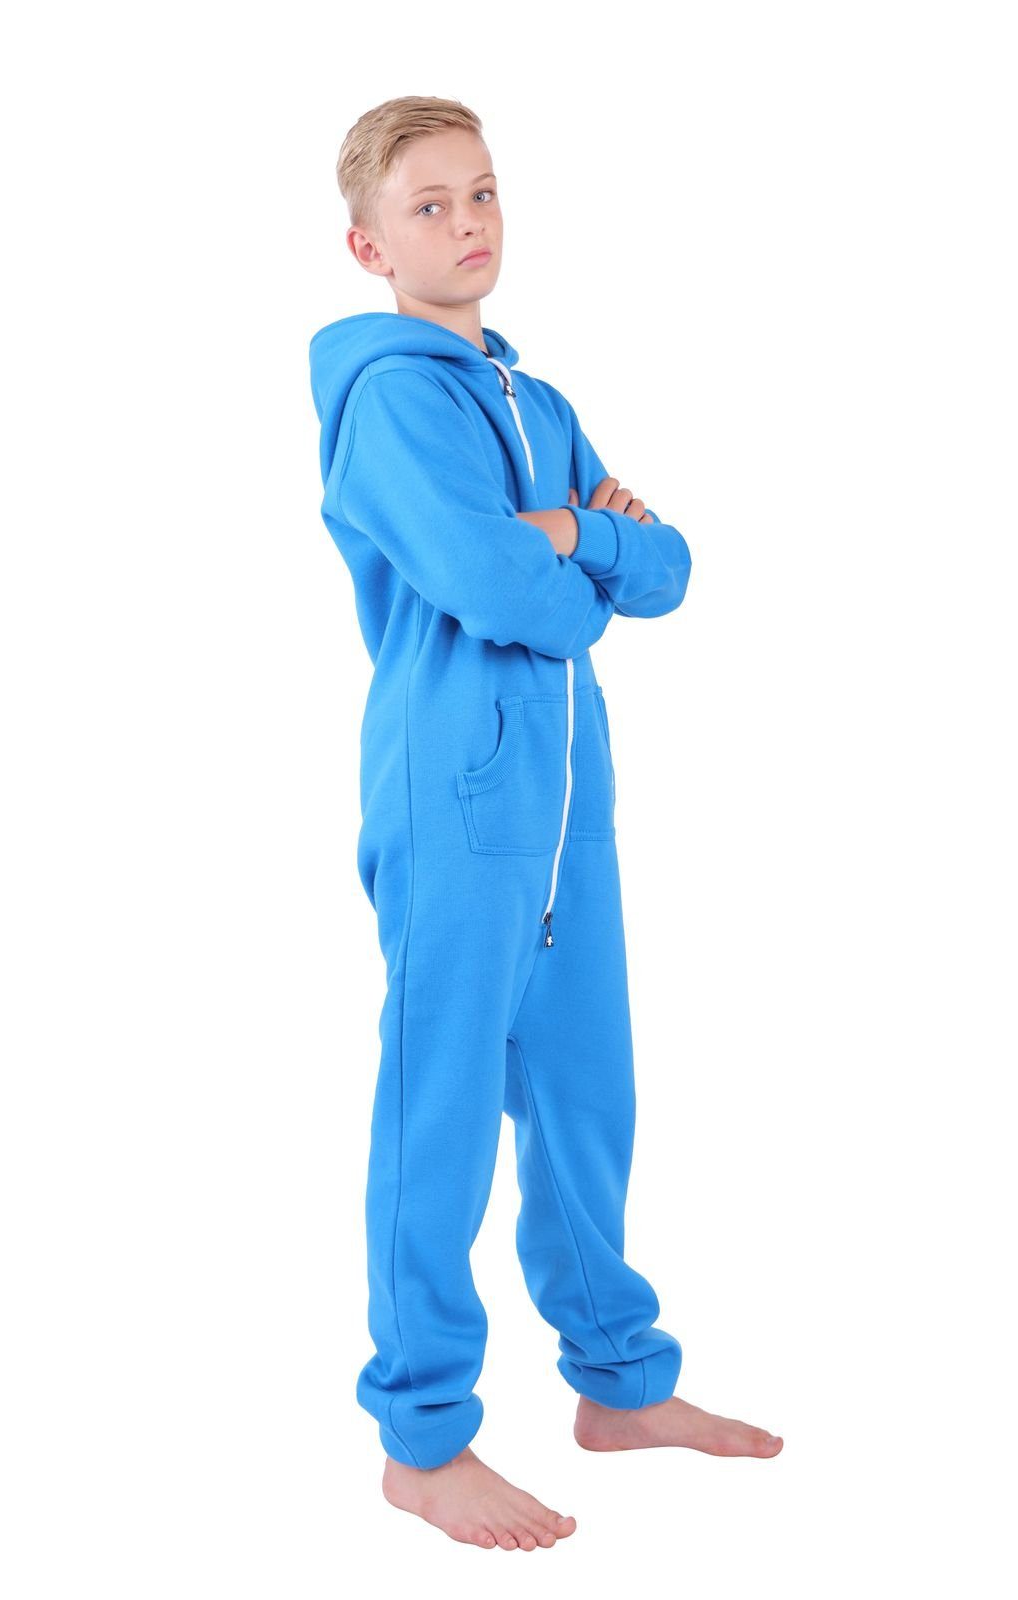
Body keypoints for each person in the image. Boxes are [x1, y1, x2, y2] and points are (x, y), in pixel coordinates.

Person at [308, 95, 783, 1552]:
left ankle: (619, 1384)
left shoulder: (539, 400)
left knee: (585, 1090)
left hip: (570, 803)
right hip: (455, 794)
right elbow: (505, 594)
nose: (468, 224)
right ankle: (422, 1438)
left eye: (484, 193)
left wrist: (578, 532)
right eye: (431, 206)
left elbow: (670, 568)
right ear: (369, 246)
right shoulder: (393, 399)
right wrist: (581, 566)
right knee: (441, 1106)